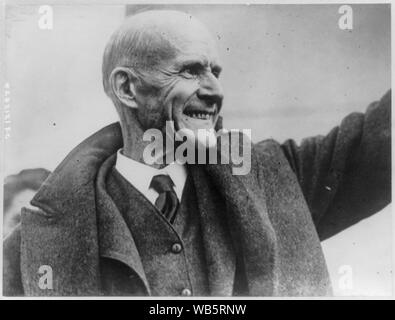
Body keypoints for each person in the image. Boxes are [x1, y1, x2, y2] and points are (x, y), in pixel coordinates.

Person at [3, 10, 390, 296]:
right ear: (127, 88)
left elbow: (378, 144)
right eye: (190, 71)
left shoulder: (273, 179)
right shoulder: (31, 248)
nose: (214, 90)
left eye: (215, 72)